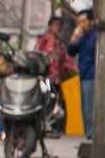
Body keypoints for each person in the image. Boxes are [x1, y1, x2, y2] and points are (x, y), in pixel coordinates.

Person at [67, 9, 97, 141]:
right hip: (84, 76)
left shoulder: (96, 36)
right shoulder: (81, 38)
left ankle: (91, 135)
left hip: (93, 76)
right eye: (79, 22)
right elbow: (71, 52)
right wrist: (73, 39)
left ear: (91, 22)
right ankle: (88, 134)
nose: (81, 25)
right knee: (85, 108)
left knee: (90, 108)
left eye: (84, 21)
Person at [33, 16, 75, 87]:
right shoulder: (43, 41)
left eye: (60, 25)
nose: (58, 27)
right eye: (56, 25)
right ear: (50, 27)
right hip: (46, 78)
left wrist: (73, 66)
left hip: (59, 78)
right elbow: (35, 56)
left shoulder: (60, 43)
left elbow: (66, 57)